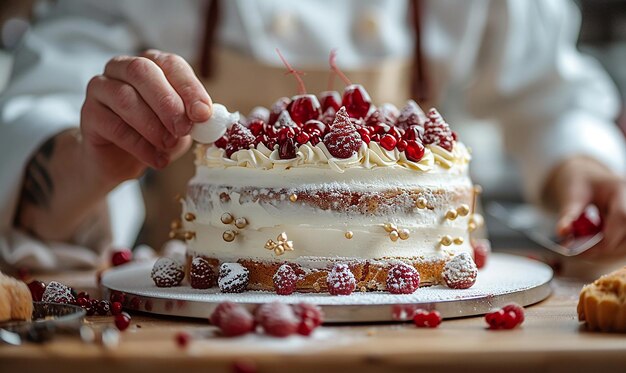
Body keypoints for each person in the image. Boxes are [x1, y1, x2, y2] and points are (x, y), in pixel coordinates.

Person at [0, 0, 625, 271]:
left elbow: (550, 92)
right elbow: (42, 98)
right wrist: (87, 162)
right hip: (206, 306)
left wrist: (582, 162)